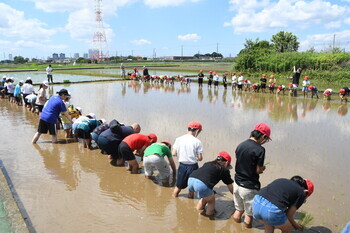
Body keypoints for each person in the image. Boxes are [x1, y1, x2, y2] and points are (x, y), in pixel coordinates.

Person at [233, 123, 271, 228]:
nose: (265, 142)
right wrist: (262, 168)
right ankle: (246, 229)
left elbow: (240, 161)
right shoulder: (260, 150)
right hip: (249, 186)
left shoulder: (241, 144)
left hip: (236, 182)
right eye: (266, 139)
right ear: (263, 136)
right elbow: (258, 170)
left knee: (238, 210)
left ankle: (234, 228)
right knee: (249, 214)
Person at [188, 151, 233, 216]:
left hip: (191, 179)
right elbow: (230, 186)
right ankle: (209, 217)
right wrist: (236, 197)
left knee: (205, 196)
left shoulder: (208, 163)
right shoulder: (224, 170)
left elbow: (206, 175)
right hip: (201, 184)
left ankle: (198, 210)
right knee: (211, 201)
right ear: (226, 163)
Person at [172, 121, 203, 198]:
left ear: (188, 129)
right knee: (191, 188)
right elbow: (200, 158)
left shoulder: (179, 139)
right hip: (193, 166)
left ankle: (174, 198)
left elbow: (173, 153)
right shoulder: (197, 142)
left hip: (182, 166)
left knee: (178, 186)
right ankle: (190, 202)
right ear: (197, 131)